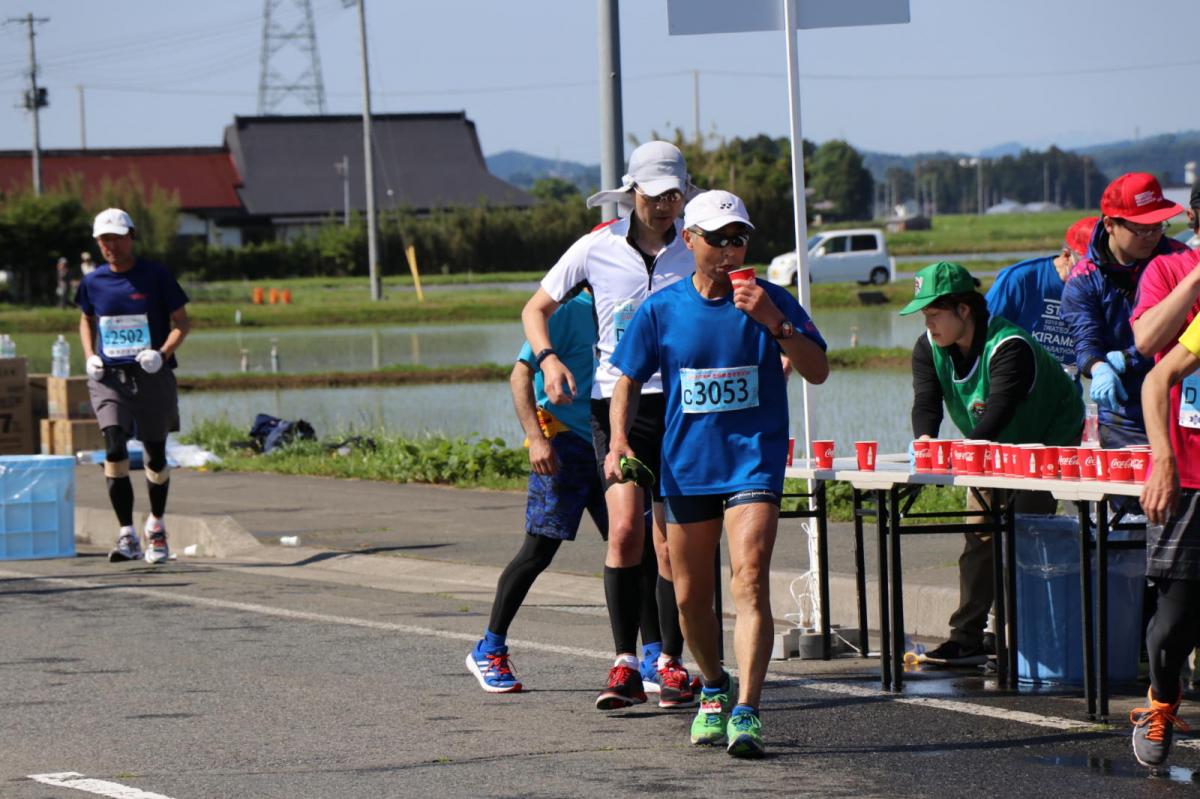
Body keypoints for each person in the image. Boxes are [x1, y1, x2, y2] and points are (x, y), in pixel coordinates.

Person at [607, 190, 829, 757]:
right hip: (687, 467)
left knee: (750, 577)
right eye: (719, 240)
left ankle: (748, 711)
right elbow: (627, 378)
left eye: (740, 239)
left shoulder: (772, 301)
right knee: (688, 599)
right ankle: (713, 688)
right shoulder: (663, 308)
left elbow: (818, 369)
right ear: (690, 242)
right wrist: (619, 441)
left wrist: (774, 322)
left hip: (753, 459)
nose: (731, 250)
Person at [521, 141, 698, 710]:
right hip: (613, 406)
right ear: (633, 194)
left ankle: (669, 665)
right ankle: (624, 663)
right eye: (656, 195)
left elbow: (734, 299)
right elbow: (535, 309)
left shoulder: (695, 247)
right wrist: (548, 358)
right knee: (624, 530)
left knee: (669, 544)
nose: (667, 205)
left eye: (675, 194)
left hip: (681, 405)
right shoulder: (596, 248)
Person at [904, 261, 1083, 666]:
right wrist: (927, 443)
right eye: (925, 315)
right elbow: (926, 403)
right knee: (980, 534)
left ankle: (1021, 637)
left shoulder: (1010, 346)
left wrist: (962, 453)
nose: (928, 323)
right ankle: (966, 636)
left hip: (1045, 439)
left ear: (963, 310)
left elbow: (997, 414)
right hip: (988, 444)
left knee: (1022, 532)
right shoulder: (928, 348)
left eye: (934, 314)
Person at [467, 285, 611, 692]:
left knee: (632, 550)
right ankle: (489, 648)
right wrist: (537, 438)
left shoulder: (630, 305)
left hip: (611, 444)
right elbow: (519, 373)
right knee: (537, 552)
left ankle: (649, 659)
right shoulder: (567, 312)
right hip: (564, 442)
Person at [75, 208, 190, 565]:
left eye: (116, 237)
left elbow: (182, 322)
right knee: (113, 444)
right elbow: (85, 319)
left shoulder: (155, 275)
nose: (110, 245)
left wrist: (162, 352)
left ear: (131, 237)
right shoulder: (93, 281)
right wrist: (89, 355)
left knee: (155, 453)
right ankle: (126, 533)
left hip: (152, 375)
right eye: (103, 239)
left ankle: (155, 525)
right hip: (109, 378)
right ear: (97, 243)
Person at [1060, 173, 1187, 449]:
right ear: (1110, 224)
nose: (1152, 237)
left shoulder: (1180, 261)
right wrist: (1100, 367)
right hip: (1124, 417)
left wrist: (1129, 359)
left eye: (1158, 226)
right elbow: (1086, 343)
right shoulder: (1084, 279)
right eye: (1142, 229)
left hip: (1183, 406)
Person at [1130, 313, 1200, 768]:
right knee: (1172, 625)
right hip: (1192, 483)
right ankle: (1162, 697)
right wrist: (1164, 461)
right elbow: (1157, 381)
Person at [984, 216, 1097, 374]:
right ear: (1066, 256)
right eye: (1089, 264)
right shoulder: (1020, 279)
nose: (1095, 273)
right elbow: (981, 336)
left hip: (1066, 392)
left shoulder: (1101, 289)